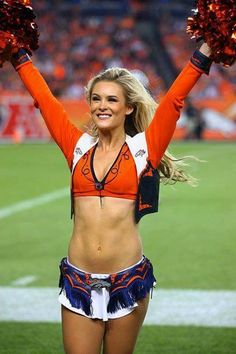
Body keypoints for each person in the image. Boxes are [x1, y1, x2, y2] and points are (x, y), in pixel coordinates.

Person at [9, 39, 212, 354]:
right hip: (79, 280)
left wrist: (208, 47)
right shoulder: (77, 148)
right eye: (96, 99)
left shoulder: (144, 150)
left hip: (128, 280)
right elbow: (44, 99)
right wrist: (15, 51)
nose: (102, 105)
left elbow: (174, 99)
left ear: (128, 107)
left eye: (112, 99)